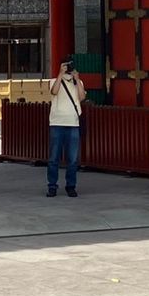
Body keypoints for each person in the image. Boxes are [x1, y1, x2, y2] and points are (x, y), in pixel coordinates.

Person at [46, 58, 85, 197]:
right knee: (53, 157)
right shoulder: (53, 80)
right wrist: (60, 74)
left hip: (73, 122)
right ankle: (52, 186)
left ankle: (71, 185)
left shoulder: (78, 83)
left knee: (73, 158)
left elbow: (81, 97)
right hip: (57, 122)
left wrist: (77, 79)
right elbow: (54, 91)